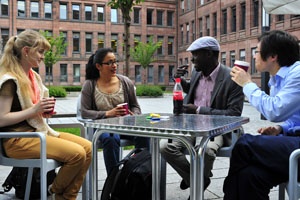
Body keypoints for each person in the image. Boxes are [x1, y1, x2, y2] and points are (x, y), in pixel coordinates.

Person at [0, 29, 91, 200]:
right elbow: (1, 119)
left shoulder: (33, 77)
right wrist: (35, 110)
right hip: (16, 141)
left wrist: (43, 112)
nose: (43, 56)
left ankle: (62, 196)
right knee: (77, 154)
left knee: (88, 148)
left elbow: (31, 112)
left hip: (36, 135)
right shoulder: (9, 80)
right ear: (26, 51)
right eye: (40, 51)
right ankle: (54, 191)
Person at [160, 36, 244, 198]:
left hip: (217, 129)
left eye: (195, 55)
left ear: (209, 54)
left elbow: (234, 114)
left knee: (206, 150)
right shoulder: (197, 73)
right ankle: (198, 181)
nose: (192, 60)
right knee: (165, 146)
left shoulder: (233, 78)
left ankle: (194, 183)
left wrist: (198, 110)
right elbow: (195, 90)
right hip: (189, 125)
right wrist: (179, 80)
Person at [223, 30, 300, 200]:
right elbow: (295, 118)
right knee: (249, 176)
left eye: (256, 51)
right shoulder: (278, 79)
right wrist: (280, 128)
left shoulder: (298, 74)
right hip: (293, 140)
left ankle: (227, 194)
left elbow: (275, 110)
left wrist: (247, 84)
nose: (254, 56)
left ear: (273, 56)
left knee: (245, 144)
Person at [81, 47, 149, 175]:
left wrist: (133, 115)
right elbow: (84, 112)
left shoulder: (125, 82)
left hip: (126, 124)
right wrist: (107, 113)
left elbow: (136, 106)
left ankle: (140, 173)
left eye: (115, 61)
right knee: (111, 138)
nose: (114, 65)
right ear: (98, 66)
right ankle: (114, 180)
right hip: (103, 126)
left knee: (145, 135)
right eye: (110, 63)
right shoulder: (90, 84)